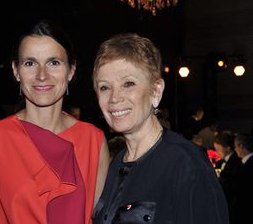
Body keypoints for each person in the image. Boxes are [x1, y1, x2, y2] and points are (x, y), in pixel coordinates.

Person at [0, 20, 110, 224]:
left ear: (70, 71)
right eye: (30, 63)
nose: (42, 75)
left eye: (54, 63)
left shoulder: (94, 140)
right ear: (16, 71)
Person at [91, 33, 229, 224]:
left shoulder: (186, 163)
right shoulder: (115, 165)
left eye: (128, 83)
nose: (115, 98)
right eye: (104, 87)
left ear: (156, 91)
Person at [213, 132, 242, 223]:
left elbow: (234, 184)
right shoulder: (220, 162)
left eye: (218, 150)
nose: (216, 153)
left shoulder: (236, 162)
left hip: (232, 203)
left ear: (228, 149)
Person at [233, 133, 253, 224]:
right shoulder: (246, 163)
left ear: (241, 146)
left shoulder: (247, 167)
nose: (235, 149)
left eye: (235, 146)